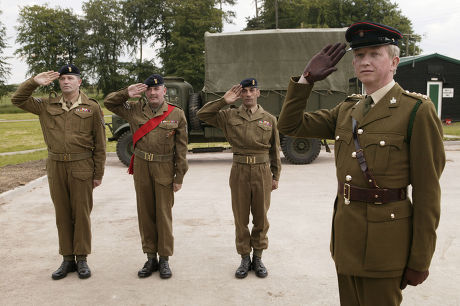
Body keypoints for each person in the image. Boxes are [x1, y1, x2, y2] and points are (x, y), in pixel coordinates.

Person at [277, 22, 446, 305]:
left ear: (394, 61)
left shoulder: (416, 111)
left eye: (374, 53)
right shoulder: (348, 109)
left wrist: (420, 258)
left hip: (386, 245)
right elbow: (290, 125)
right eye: (358, 55)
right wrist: (306, 80)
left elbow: (428, 193)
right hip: (346, 239)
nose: (364, 61)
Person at [11, 64, 106, 280]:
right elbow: (17, 99)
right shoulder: (46, 105)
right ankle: (67, 259)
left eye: (70, 78)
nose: (65, 81)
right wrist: (34, 82)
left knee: (81, 214)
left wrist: (98, 173)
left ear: (79, 82)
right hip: (56, 166)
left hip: (81, 165)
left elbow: (100, 144)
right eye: (62, 78)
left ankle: (82, 259)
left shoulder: (91, 108)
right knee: (62, 214)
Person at [104, 74, 188, 279]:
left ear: (164, 91)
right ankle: (150, 257)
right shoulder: (134, 110)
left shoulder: (176, 114)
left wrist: (179, 177)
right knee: (145, 214)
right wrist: (127, 92)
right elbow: (109, 103)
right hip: (141, 167)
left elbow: (182, 149)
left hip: (164, 167)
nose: (152, 92)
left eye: (156, 89)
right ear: (145, 92)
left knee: (163, 214)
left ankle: (165, 259)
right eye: (149, 89)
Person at [197, 78, 281, 279]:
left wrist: (275, 175)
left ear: (258, 93)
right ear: (240, 94)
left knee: (261, 217)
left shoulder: (269, 119)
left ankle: (258, 258)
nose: (248, 94)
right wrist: (223, 101)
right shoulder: (229, 116)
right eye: (244, 91)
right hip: (239, 171)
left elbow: (274, 150)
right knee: (241, 218)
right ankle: (245, 258)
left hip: (262, 171)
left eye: (252, 90)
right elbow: (202, 114)